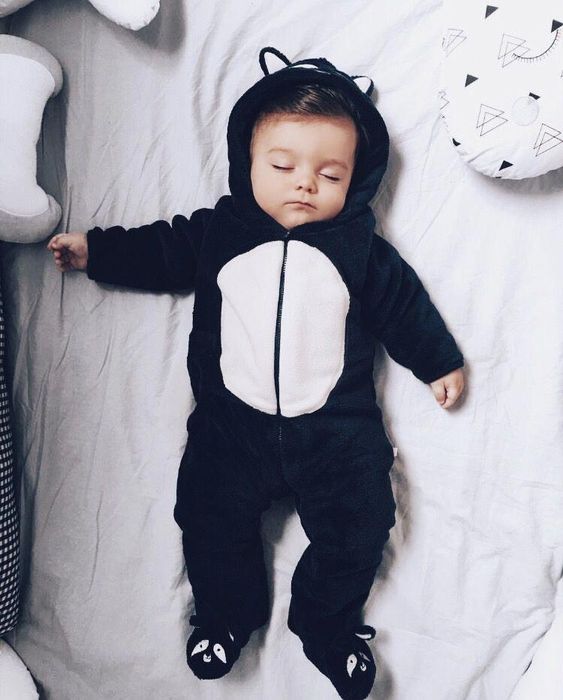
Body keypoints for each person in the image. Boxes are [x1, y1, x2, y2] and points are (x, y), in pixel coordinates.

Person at [48, 47, 465, 700]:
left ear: (357, 180)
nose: (305, 184)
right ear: (247, 161)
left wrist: (438, 360)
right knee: (207, 516)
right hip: (230, 428)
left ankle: (326, 624)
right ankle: (223, 617)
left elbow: (403, 306)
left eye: (330, 174)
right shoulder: (219, 232)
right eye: (282, 166)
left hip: (336, 432)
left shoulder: (361, 250)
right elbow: (160, 249)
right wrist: (96, 251)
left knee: (362, 521)